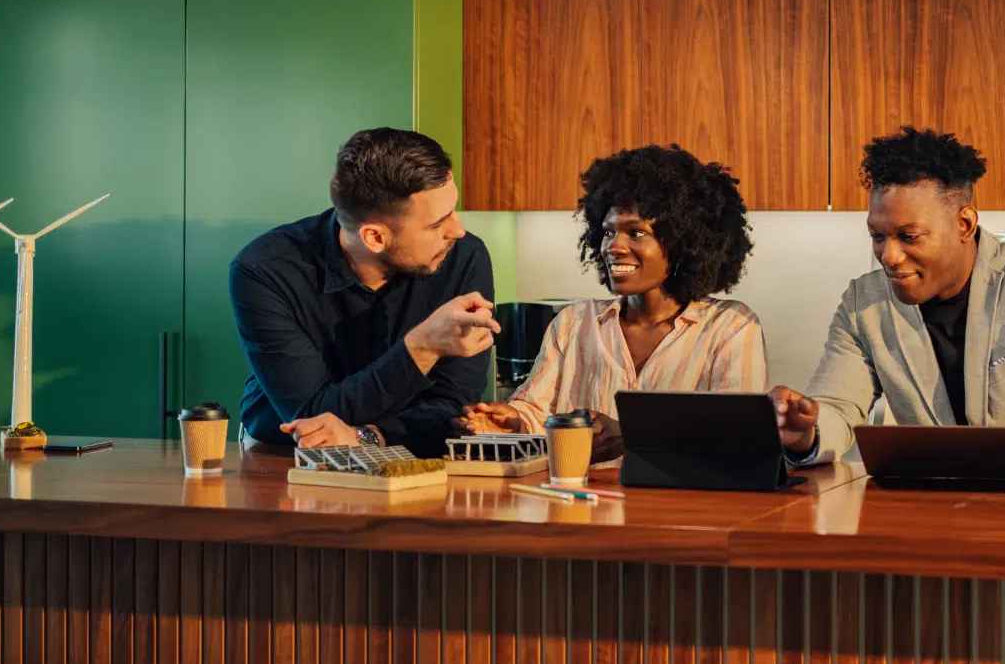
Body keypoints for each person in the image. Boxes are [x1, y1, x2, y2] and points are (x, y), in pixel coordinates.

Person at [768, 127, 1005, 483]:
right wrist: (806, 435)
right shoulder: (863, 304)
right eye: (877, 236)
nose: (888, 256)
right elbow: (836, 408)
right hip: (929, 512)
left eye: (908, 237)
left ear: (965, 224)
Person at [462, 144, 767, 462]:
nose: (615, 246)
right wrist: (506, 423)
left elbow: (735, 434)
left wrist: (632, 435)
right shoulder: (574, 322)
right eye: (609, 232)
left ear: (685, 243)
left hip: (685, 508)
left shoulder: (730, 327)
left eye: (636, 233)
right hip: (586, 507)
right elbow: (537, 410)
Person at [230, 128, 500, 456]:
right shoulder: (266, 269)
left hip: (412, 453)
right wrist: (421, 348)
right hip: (282, 456)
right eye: (435, 224)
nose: (456, 230)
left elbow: (455, 406)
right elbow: (310, 418)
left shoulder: (464, 257)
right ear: (374, 237)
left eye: (453, 211)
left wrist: (366, 436)